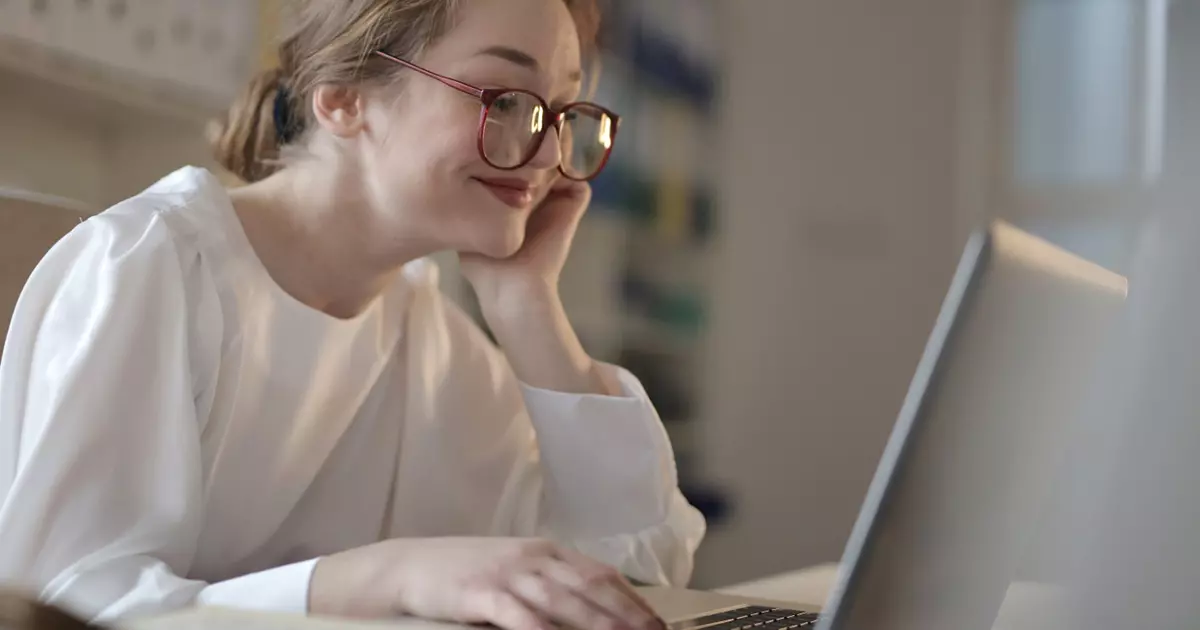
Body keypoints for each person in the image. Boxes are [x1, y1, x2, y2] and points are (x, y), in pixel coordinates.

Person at [0, 0, 706, 627]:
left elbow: (634, 573)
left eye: (560, 110)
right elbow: (65, 602)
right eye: (506, 96)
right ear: (342, 100)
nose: (550, 150)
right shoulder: (152, 265)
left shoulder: (433, 336)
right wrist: (377, 577)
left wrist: (527, 307)